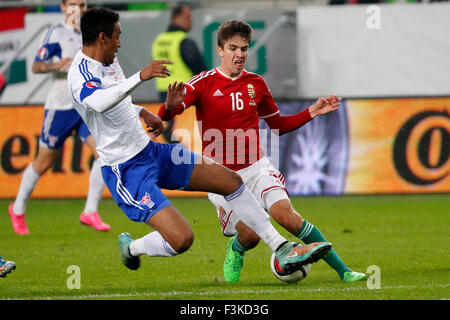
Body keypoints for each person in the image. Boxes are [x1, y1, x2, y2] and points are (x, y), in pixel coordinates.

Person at [67, 7, 332, 277]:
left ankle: (282, 247)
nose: (120, 42)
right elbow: (98, 102)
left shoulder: (109, 60)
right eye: (117, 36)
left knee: (230, 180)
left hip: (152, 152)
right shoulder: (79, 74)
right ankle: (132, 248)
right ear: (102, 38)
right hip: (125, 169)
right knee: (182, 239)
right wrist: (140, 77)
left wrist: (142, 111)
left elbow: (115, 98)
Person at [158, 20, 367, 283]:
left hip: (257, 167)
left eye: (244, 49)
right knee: (250, 235)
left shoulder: (256, 83)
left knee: (288, 218)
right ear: (220, 50)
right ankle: (236, 248)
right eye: (233, 48)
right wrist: (168, 107)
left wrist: (313, 111)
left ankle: (344, 271)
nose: (239, 54)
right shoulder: (203, 83)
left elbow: (278, 125)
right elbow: (166, 114)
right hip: (220, 177)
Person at [8, 0, 110, 235]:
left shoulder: (91, 34)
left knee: (103, 152)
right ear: (64, 7)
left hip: (85, 106)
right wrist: (57, 65)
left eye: (82, 5)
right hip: (60, 107)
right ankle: (18, 207)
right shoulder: (56, 33)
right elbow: (36, 66)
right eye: (73, 4)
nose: (79, 9)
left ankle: (90, 211)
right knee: (44, 162)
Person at [152, 2, 206, 143]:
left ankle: (176, 153)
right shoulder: (184, 41)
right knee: (186, 133)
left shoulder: (159, 41)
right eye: (187, 17)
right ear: (176, 18)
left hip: (162, 94)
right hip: (183, 94)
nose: (191, 21)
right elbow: (200, 69)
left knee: (170, 131)